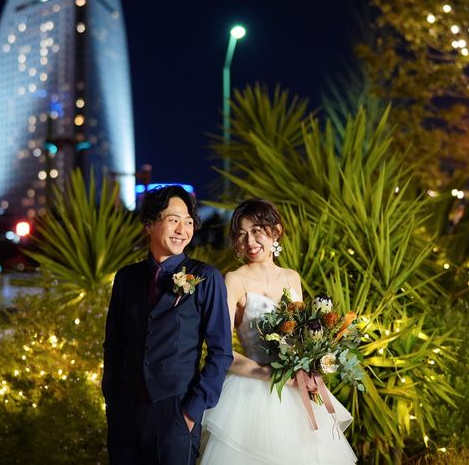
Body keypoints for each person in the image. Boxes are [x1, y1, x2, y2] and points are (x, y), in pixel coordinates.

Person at [200, 197, 357, 464]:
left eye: (256, 231)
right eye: (242, 234)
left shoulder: (291, 277)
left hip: (297, 390)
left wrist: (311, 362)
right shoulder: (234, 280)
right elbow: (223, 353)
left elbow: (303, 338)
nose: (250, 241)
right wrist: (274, 374)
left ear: (276, 231)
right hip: (252, 393)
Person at [102, 185, 233, 465]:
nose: (182, 230)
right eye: (173, 220)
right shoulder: (126, 278)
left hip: (176, 409)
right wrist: (112, 399)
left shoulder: (206, 278)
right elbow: (114, 343)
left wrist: (192, 410)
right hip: (125, 411)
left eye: (188, 222)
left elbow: (221, 352)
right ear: (149, 224)